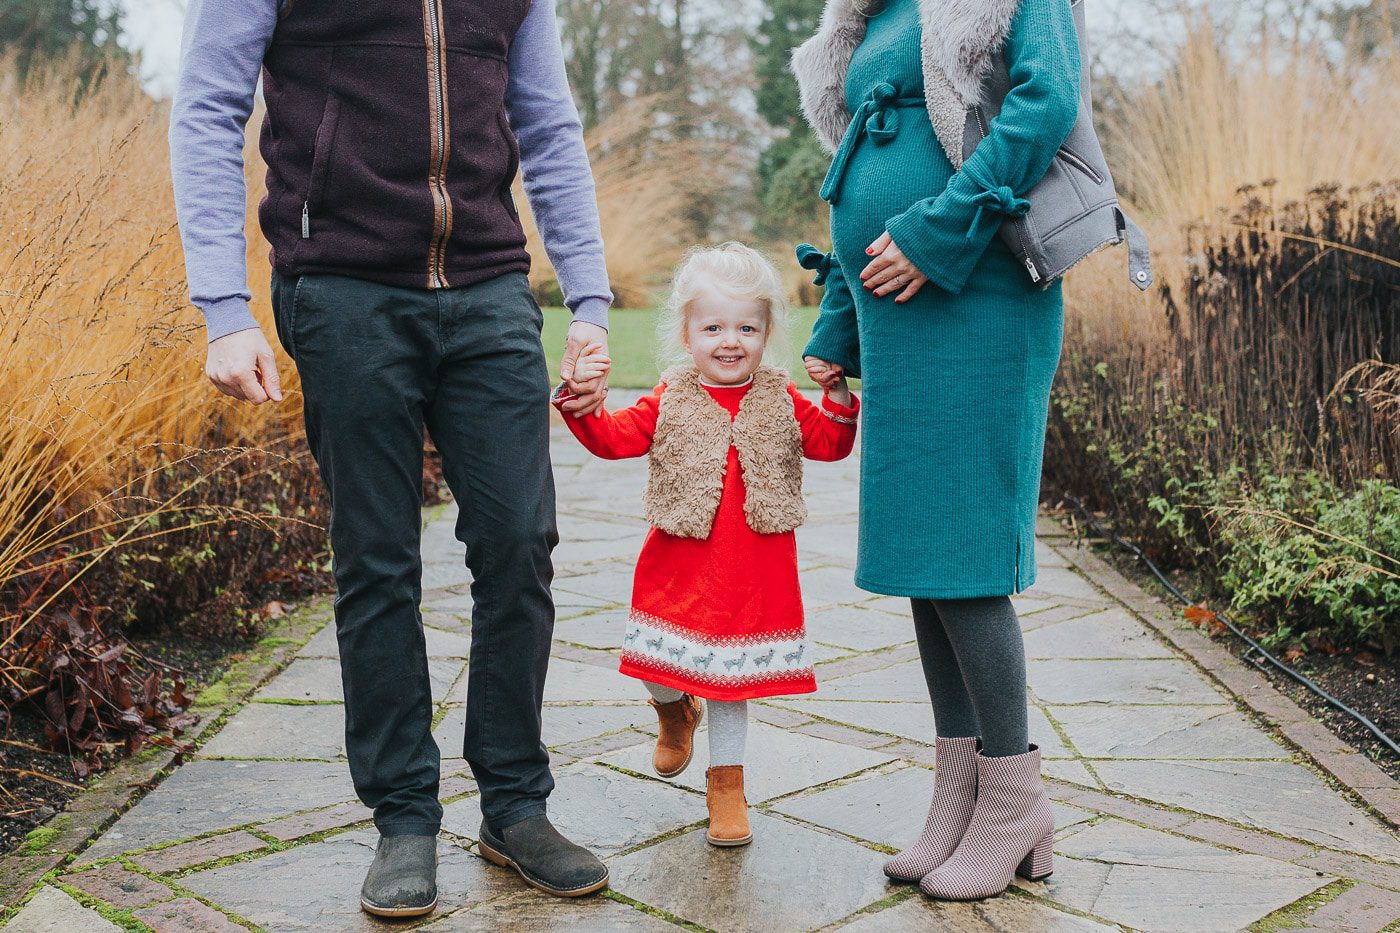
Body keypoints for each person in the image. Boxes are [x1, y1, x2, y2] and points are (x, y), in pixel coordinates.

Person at [169, 0, 614, 917]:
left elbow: (549, 123)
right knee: (376, 559)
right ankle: (404, 817)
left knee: (521, 542)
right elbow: (208, 108)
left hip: (489, 284)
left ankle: (515, 804)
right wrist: (224, 306)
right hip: (342, 288)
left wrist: (592, 301)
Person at [791, 0, 1081, 902]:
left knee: (965, 554)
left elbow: (1046, 104)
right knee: (925, 557)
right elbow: (858, 164)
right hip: (899, 308)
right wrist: (838, 323)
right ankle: (961, 795)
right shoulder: (874, 14)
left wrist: (935, 231)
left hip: (977, 290)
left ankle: (1013, 800)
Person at [553, 243, 859, 846]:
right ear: (687, 335)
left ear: (767, 333)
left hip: (756, 570)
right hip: (679, 562)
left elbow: (828, 444)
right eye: (713, 326)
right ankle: (673, 708)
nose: (730, 340)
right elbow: (614, 439)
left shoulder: (778, 396)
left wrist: (840, 400)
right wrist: (582, 406)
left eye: (747, 327)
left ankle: (727, 786)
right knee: (656, 663)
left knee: (731, 682)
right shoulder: (673, 397)